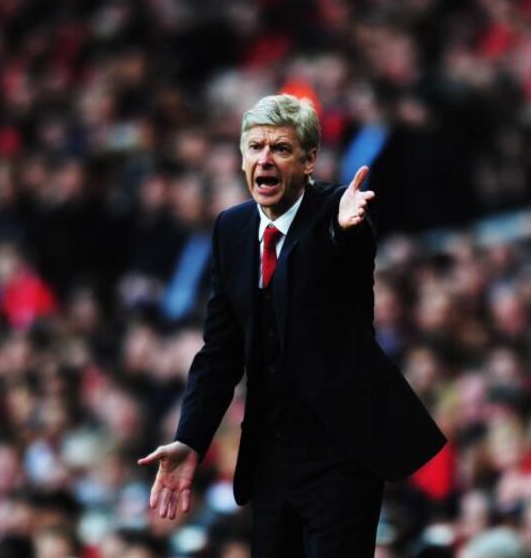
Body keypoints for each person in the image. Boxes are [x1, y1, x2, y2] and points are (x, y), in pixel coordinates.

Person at [138, 94, 446, 557]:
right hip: (270, 459)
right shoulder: (232, 229)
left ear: (309, 160)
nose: (265, 158)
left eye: (280, 148)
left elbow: (347, 251)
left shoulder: (337, 212)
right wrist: (190, 438)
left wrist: (346, 230)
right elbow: (219, 352)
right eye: (255, 146)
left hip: (341, 452)